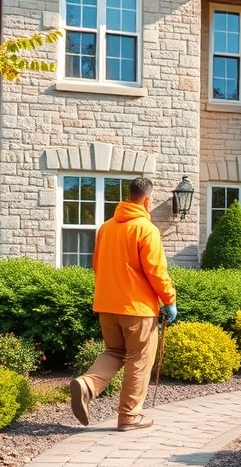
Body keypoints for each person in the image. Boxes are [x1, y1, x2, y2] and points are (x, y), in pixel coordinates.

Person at [70, 177, 178, 432]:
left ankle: (87, 385)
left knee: (115, 352)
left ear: (128, 195)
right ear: (148, 199)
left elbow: (96, 266)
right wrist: (169, 299)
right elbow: (156, 271)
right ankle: (129, 416)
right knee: (140, 358)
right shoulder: (146, 229)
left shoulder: (106, 228)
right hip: (137, 309)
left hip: (106, 305)